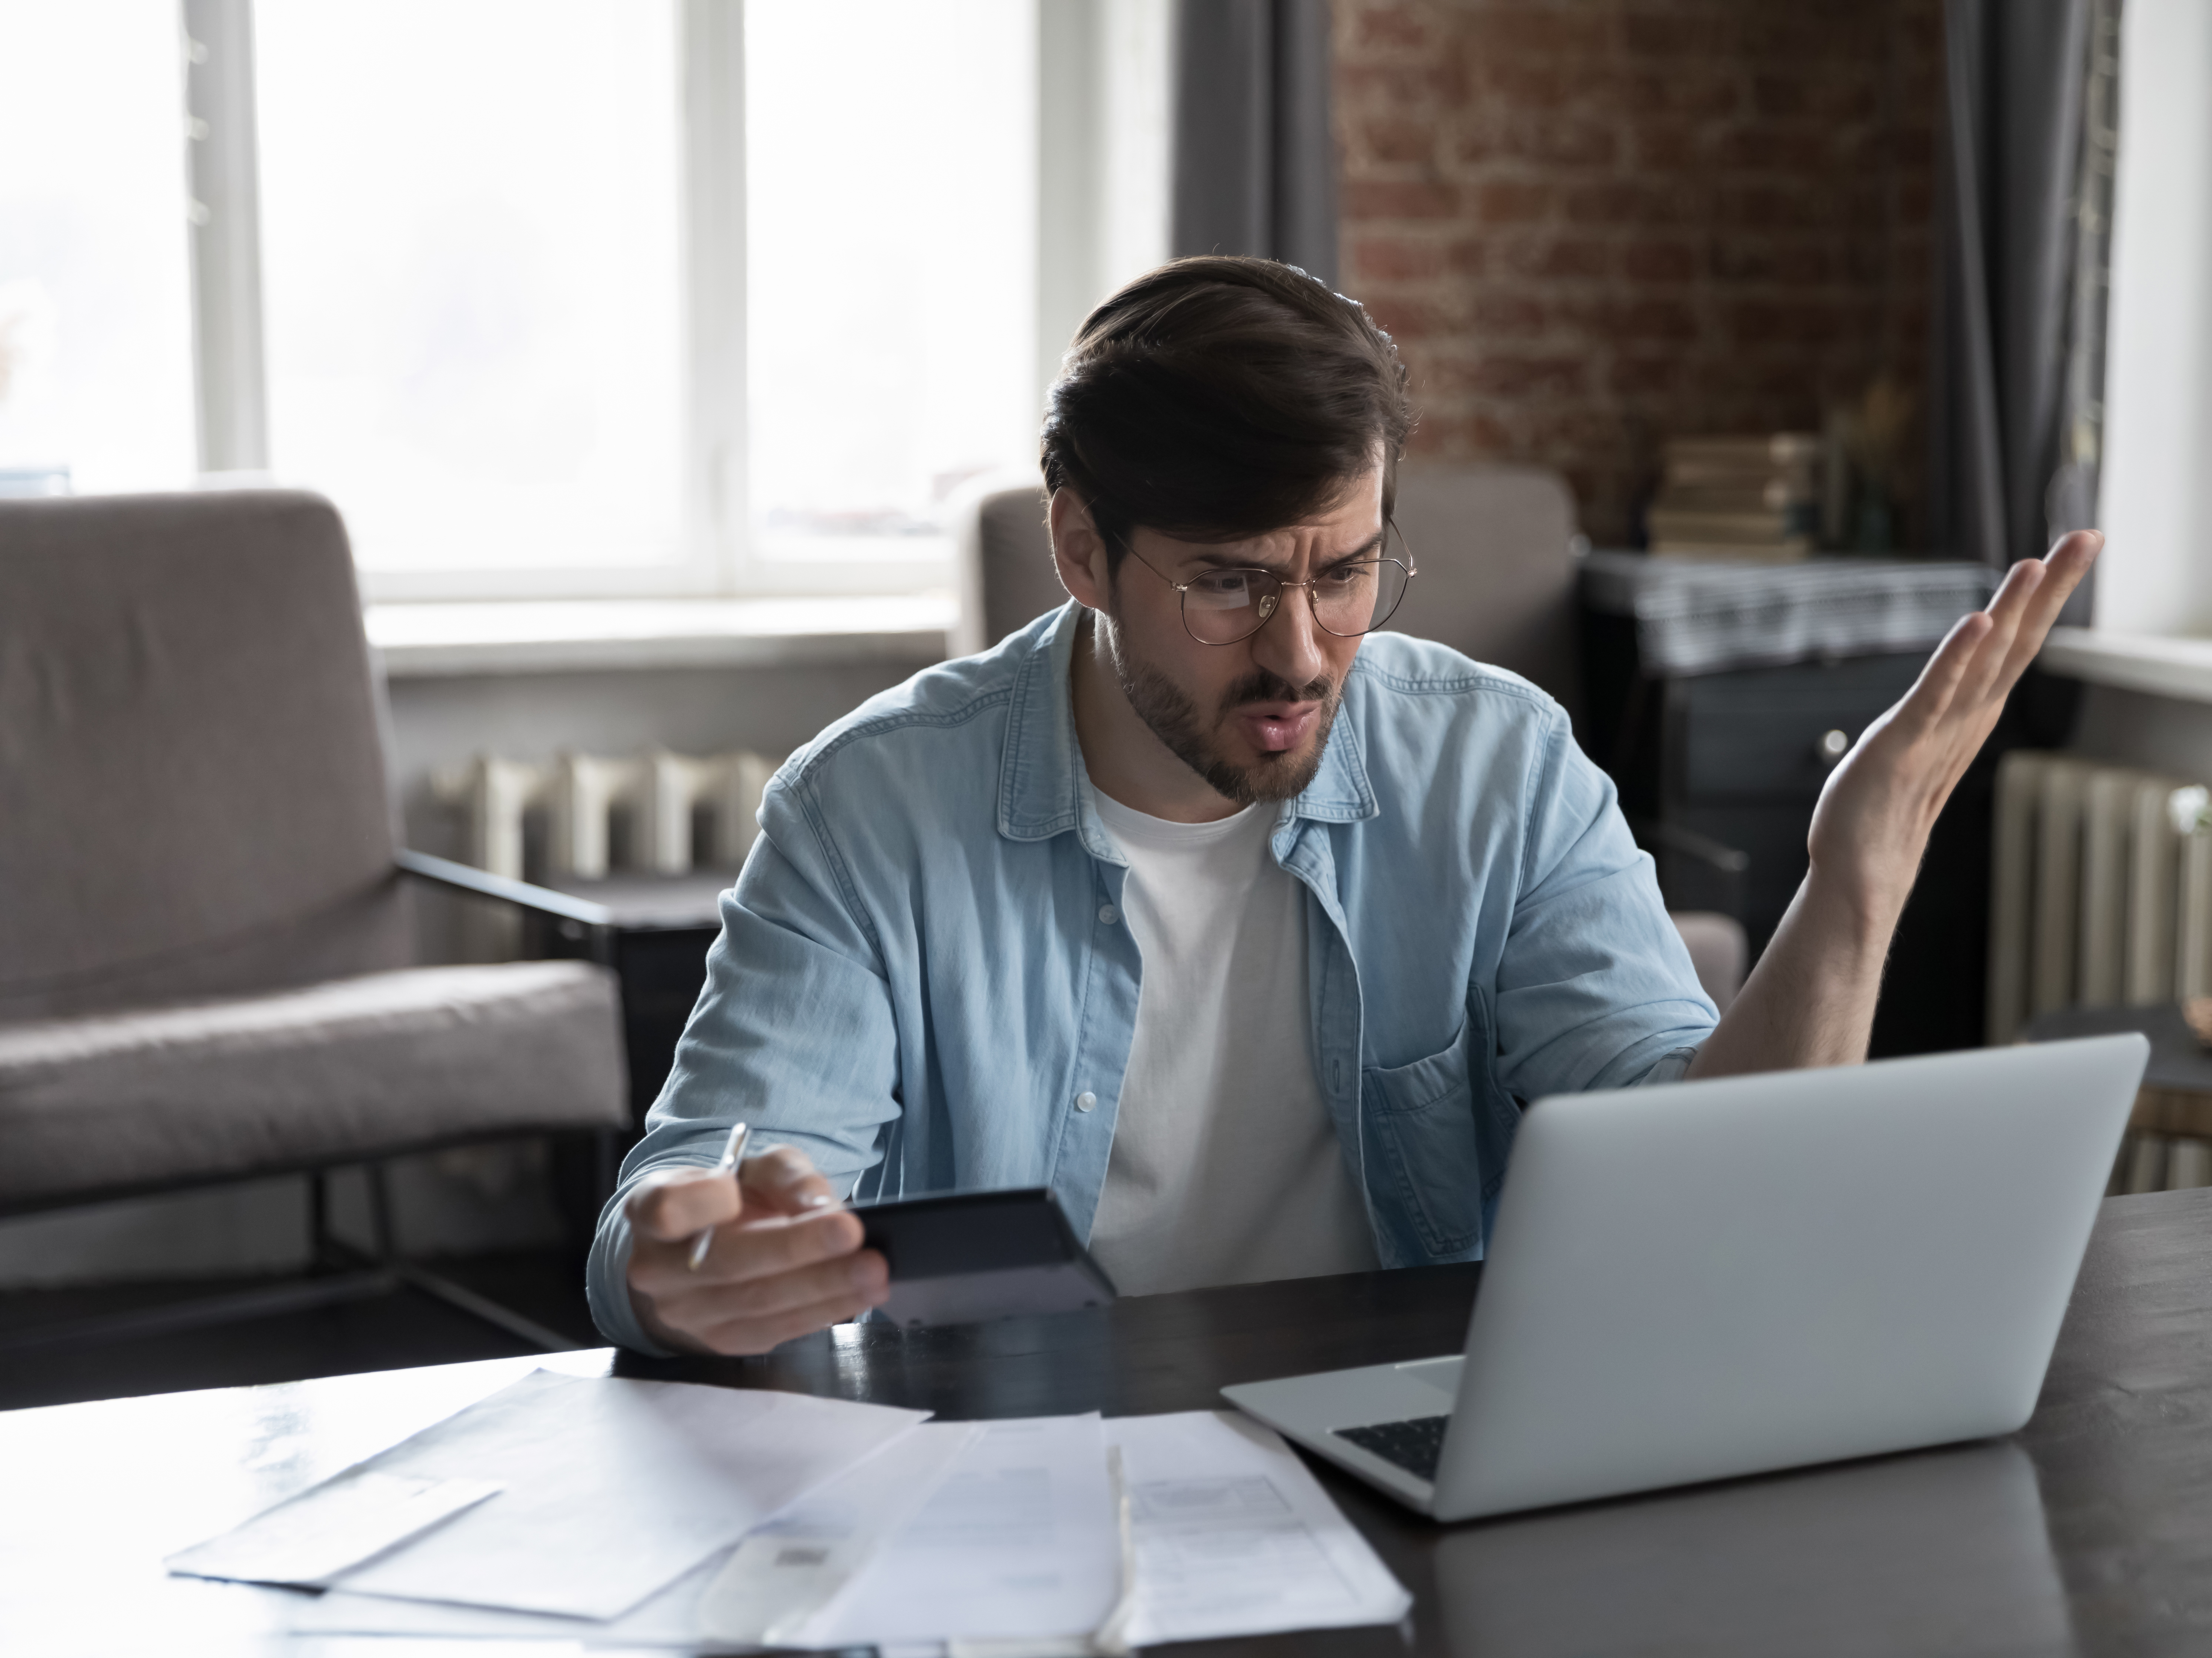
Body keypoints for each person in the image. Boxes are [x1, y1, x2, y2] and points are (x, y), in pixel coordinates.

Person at [589, 257, 2097, 1357]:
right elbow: (699, 1189)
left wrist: (1858, 874)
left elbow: (1711, 1200)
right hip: (1018, 1460)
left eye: (1345, 569)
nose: (1303, 649)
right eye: (1233, 580)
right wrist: (696, 1263)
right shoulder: (870, 806)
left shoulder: (1499, 768)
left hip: (1411, 1437)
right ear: (1080, 549)